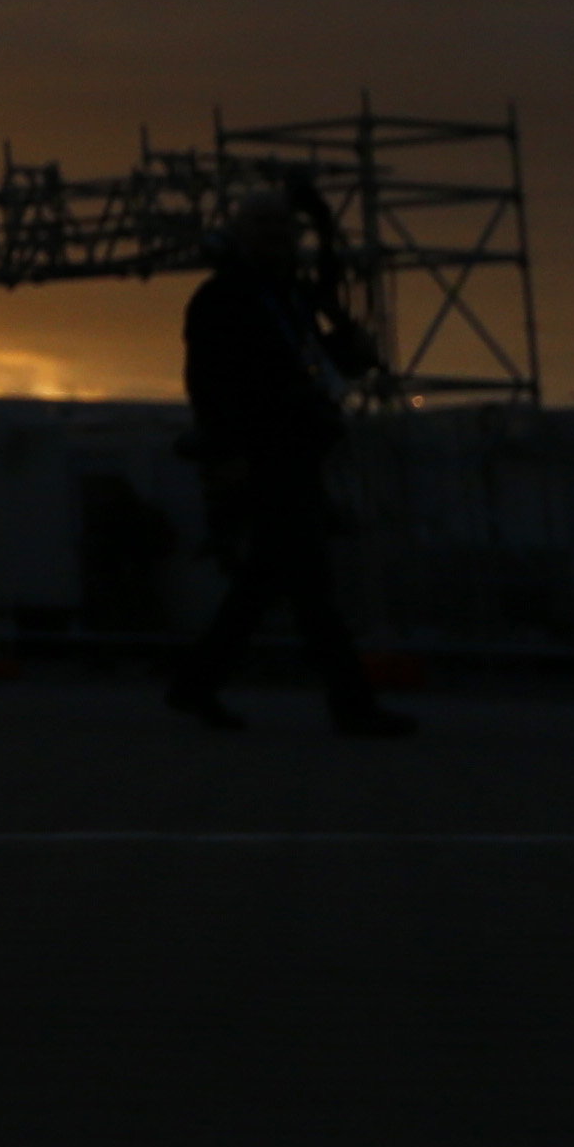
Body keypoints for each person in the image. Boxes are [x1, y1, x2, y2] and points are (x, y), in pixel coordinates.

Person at [165, 187, 412, 738]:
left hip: (292, 452)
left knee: (268, 581)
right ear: (242, 238)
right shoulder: (225, 299)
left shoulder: (287, 297)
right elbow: (210, 385)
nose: (278, 244)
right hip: (265, 455)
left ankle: (197, 684)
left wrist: (345, 342)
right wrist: (227, 455)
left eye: (283, 233)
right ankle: (352, 705)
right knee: (306, 583)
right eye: (266, 233)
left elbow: (319, 358)